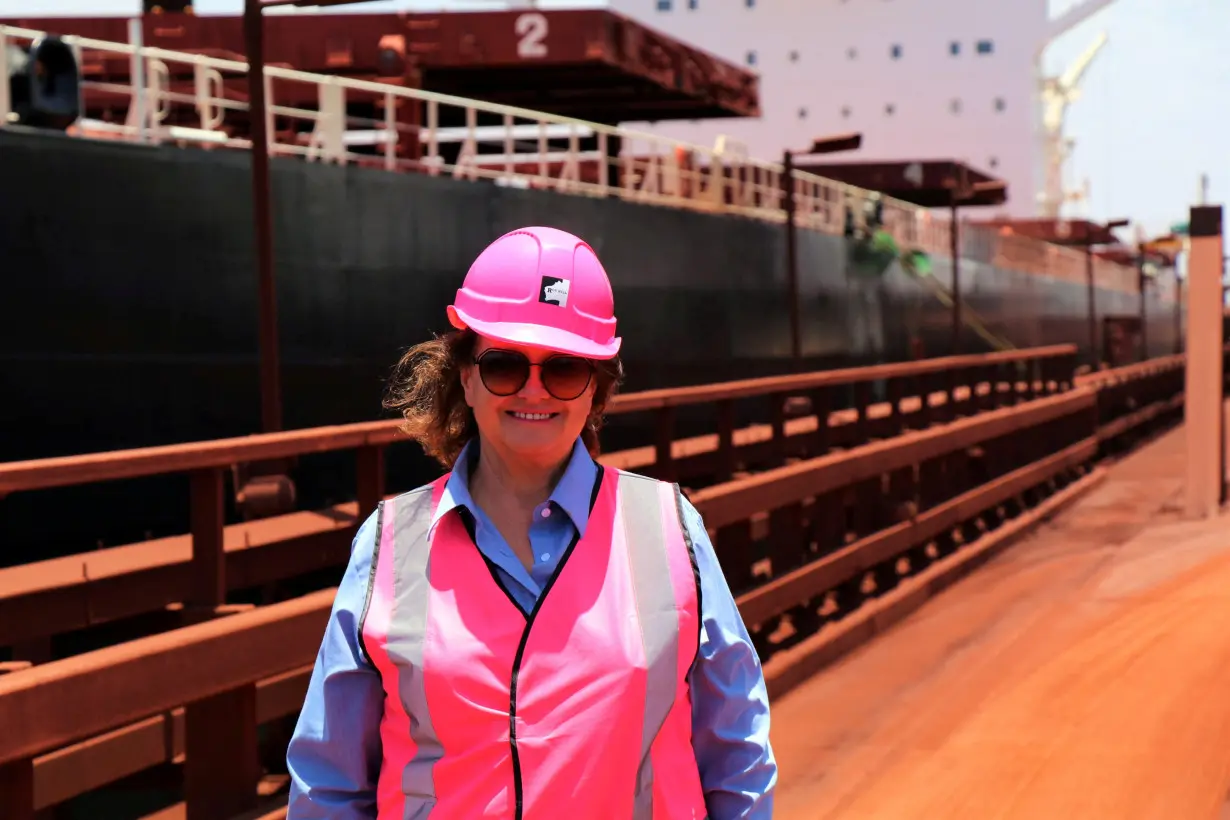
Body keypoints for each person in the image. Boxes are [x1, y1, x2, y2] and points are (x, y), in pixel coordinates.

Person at [285, 226, 777, 819]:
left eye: (565, 368)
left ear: (595, 391)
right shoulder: (390, 542)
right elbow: (328, 784)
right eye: (504, 366)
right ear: (465, 377)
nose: (534, 390)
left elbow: (737, 754)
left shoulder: (671, 531)